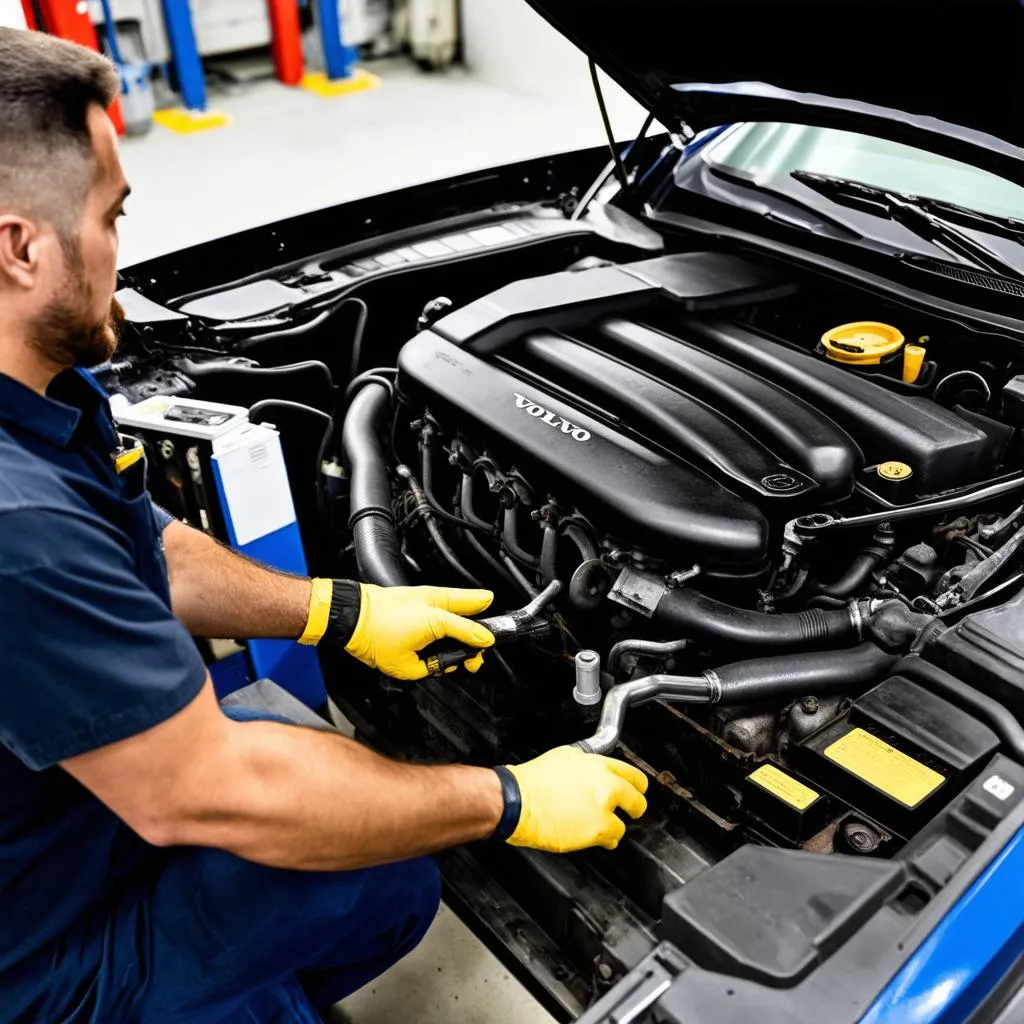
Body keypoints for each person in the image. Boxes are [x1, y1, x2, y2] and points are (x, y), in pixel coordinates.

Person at [0, 28, 649, 1024]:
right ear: (20, 245)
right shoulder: (19, 524)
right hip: (29, 960)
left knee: (382, 882)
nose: (121, 263)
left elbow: (143, 546)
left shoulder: (35, 393)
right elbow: (212, 787)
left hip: (62, 814)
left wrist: (335, 612)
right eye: (110, 220)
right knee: (303, 811)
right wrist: (510, 798)